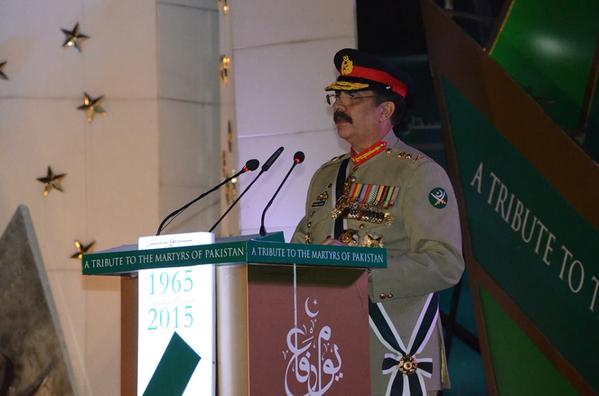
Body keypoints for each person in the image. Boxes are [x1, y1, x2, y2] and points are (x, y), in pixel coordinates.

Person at [291, 48, 465, 396]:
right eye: (337, 96)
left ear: (385, 110)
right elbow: (300, 249)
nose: (339, 105)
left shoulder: (419, 174)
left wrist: (361, 275)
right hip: (325, 354)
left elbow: (446, 263)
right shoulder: (326, 176)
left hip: (391, 355)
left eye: (353, 98)